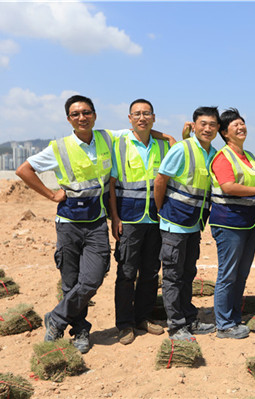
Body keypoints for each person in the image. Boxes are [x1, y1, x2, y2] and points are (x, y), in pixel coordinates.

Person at [15, 95, 173, 353]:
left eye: (86, 112)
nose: (82, 117)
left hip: (97, 222)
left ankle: (56, 317)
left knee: (93, 278)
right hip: (69, 223)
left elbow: (140, 126)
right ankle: (79, 330)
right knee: (71, 281)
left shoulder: (106, 138)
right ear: (69, 119)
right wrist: (52, 194)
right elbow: (23, 170)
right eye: (75, 114)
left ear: (95, 115)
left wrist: (167, 136)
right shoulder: (60, 147)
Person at [154, 106, 220, 341]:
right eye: (203, 123)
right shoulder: (183, 149)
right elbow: (160, 179)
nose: (208, 128)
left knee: (187, 273)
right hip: (174, 223)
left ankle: (189, 319)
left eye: (212, 125)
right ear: (194, 125)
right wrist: (161, 209)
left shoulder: (213, 153)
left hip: (194, 224)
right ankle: (176, 325)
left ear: (218, 128)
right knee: (172, 275)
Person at [209, 108, 255, 339]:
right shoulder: (222, 157)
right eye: (235, 125)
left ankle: (235, 317)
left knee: (241, 273)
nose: (241, 127)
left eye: (242, 123)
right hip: (229, 223)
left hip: (249, 223)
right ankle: (224, 324)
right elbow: (228, 186)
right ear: (225, 133)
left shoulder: (249, 157)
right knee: (228, 274)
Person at [109, 99, 169, 345]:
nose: (142, 117)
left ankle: (143, 317)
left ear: (154, 118)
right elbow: (111, 185)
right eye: (137, 114)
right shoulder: (118, 144)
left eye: (147, 114)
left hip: (155, 219)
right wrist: (114, 218)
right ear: (129, 118)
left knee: (151, 271)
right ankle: (124, 324)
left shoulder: (163, 147)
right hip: (129, 218)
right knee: (125, 272)